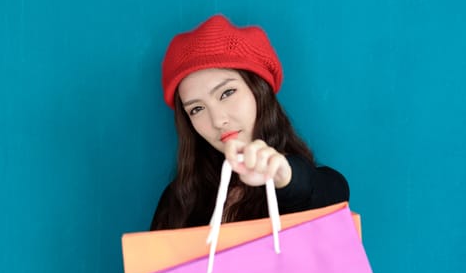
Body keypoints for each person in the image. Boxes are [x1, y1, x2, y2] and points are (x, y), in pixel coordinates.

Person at [150, 14, 349, 230]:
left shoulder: (311, 186)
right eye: (196, 109)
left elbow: (328, 194)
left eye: (227, 93)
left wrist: (284, 176)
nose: (218, 120)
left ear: (258, 92)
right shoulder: (178, 201)